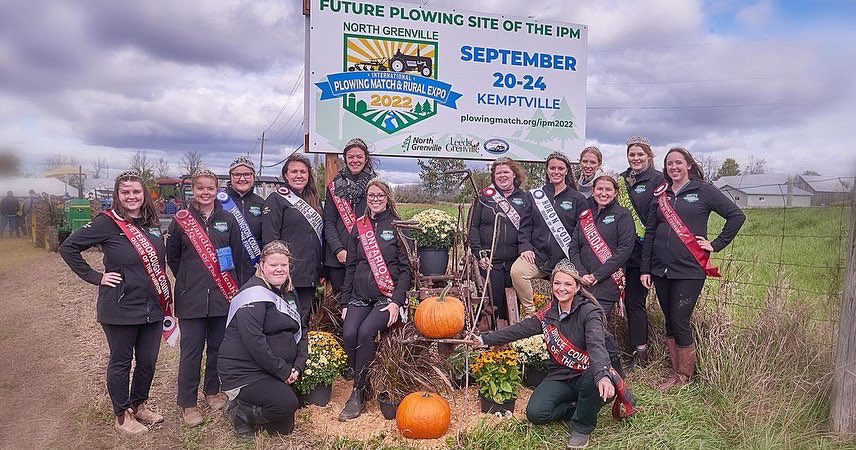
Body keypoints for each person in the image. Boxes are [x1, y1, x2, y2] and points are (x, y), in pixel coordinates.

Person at [467, 260, 636, 449]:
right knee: (536, 413)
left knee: (592, 375)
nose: (561, 288)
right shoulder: (548, 313)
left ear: (577, 286)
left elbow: (597, 345)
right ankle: (580, 407)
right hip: (562, 375)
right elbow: (519, 330)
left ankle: (582, 427)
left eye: (567, 284)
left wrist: (603, 375)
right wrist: (484, 339)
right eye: (557, 283)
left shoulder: (589, 311)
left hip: (591, 375)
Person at [59, 170, 169, 436]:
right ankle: (122, 416)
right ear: (118, 195)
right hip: (120, 307)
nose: (131, 196)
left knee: (148, 361)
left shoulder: (151, 222)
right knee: (121, 362)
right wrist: (95, 276)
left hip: (152, 306)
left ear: (144, 195)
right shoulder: (106, 223)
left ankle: (139, 404)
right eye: (125, 192)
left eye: (136, 192)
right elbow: (68, 248)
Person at [641, 147, 745, 391]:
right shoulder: (661, 194)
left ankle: (684, 377)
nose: (673, 167)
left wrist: (716, 244)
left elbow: (736, 215)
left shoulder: (703, 190)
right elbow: (650, 231)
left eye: (678, 162)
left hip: (689, 269)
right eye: (669, 164)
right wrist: (646, 267)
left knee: (680, 320)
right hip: (660, 270)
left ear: (688, 165)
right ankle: (675, 371)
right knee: (669, 320)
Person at [166, 169, 243, 426]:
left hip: (223, 297)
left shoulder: (228, 220)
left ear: (217, 189)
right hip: (192, 299)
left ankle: (212, 391)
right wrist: (190, 279)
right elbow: (173, 258)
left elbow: (237, 257)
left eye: (210, 188)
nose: (206, 192)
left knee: (218, 349)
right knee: (191, 352)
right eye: (201, 188)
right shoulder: (181, 221)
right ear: (193, 190)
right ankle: (187, 403)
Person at [338, 179, 412, 421]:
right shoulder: (359, 227)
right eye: (371, 195)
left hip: (386, 297)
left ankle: (357, 392)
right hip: (359, 297)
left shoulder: (398, 226)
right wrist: (346, 302)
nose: (375, 199)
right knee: (349, 333)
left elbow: (406, 270)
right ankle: (364, 381)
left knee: (365, 333)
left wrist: (396, 301)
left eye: (380, 195)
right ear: (366, 198)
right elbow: (351, 266)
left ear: (387, 197)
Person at [219, 241, 307, 439]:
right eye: (273, 265)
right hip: (245, 372)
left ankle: (253, 407)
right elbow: (254, 342)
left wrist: (298, 366)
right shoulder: (252, 294)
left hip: (272, 369)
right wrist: (283, 371)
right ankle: (240, 413)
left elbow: (302, 329)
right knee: (287, 404)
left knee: (283, 429)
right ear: (261, 265)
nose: (279, 269)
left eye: (283, 265)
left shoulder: (290, 291)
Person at [569, 176, 636, 376]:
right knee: (586, 324)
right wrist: (581, 274)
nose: (603, 193)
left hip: (607, 283)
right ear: (594, 190)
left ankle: (613, 367)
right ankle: (591, 367)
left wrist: (597, 275)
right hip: (582, 282)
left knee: (593, 324)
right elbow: (573, 247)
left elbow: (624, 250)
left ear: (615, 192)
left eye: (608, 189)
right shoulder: (585, 216)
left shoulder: (623, 215)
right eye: (599, 189)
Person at [512, 151, 589, 316]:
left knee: (569, 288)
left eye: (560, 168)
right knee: (517, 272)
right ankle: (531, 314)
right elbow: (525, 226)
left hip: (564, 258)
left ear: (567, 171)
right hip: (538, 255)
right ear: (547, 170)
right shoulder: (534, 196)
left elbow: (582, 232)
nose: (556, 172)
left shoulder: (578, 198)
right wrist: (525, 246)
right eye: (552, 168)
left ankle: (563, 319)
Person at [616, 136, 665, 371]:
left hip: (650, 251)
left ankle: (642, 353)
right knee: (629, 301)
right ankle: (631, 349)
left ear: (649, 156)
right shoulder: (622, 180)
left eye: (640, 154)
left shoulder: (658, 179)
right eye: (631, 155)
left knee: (636, 301)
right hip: (626, 252)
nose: (635, 158)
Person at [469, 158, 533, 326]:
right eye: (498, 173)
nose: (502, 176)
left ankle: (510, 344)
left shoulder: (525, 198)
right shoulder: (484, 197)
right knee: (490, 303)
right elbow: (473, 228)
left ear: (514, 175)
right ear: (494, 176)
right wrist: (479, 254)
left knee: (512, 306)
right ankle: (485, 340)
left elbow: (530, 228)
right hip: (490, 262)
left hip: (515, 262)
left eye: (506, 172)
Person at [262, 153, 324, 326]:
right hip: (288, 275)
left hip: (310, 275)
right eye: (294, 171)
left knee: (303, 323)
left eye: (303, 172)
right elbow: (270, 240)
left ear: (308, 175)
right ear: (286, 175)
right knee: (285, 324)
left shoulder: (313, 199)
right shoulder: (275, 200)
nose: (299, 175)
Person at [324, 138, 378, 303]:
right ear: (345, 159)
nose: (355, 160)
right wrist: (338, 250)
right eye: (351, 157)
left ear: (366, 158)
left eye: (359, 157)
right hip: (339, 257)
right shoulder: (334, 187)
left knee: (365, 300)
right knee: (341, 302)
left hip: (367, 254)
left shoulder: (376, 186)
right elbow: (329, 221)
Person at [221, 156, 265, 286]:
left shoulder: (261, 203)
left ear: (253, 176)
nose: (242, 179)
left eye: (247, 174)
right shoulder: (218, 202)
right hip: (226, 270)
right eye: (237, 175)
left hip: (253, 268)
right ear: (230, 177)